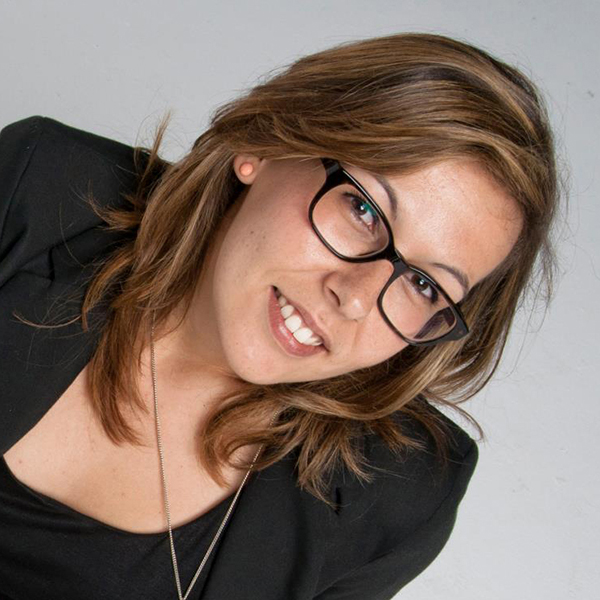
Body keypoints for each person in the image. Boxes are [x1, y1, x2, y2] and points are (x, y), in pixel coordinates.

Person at [0, 32, 558, 599]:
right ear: (264, 143)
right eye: (363, 210)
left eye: (423, 284)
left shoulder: (398, 497)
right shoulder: (33, 190)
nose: (356, 297)